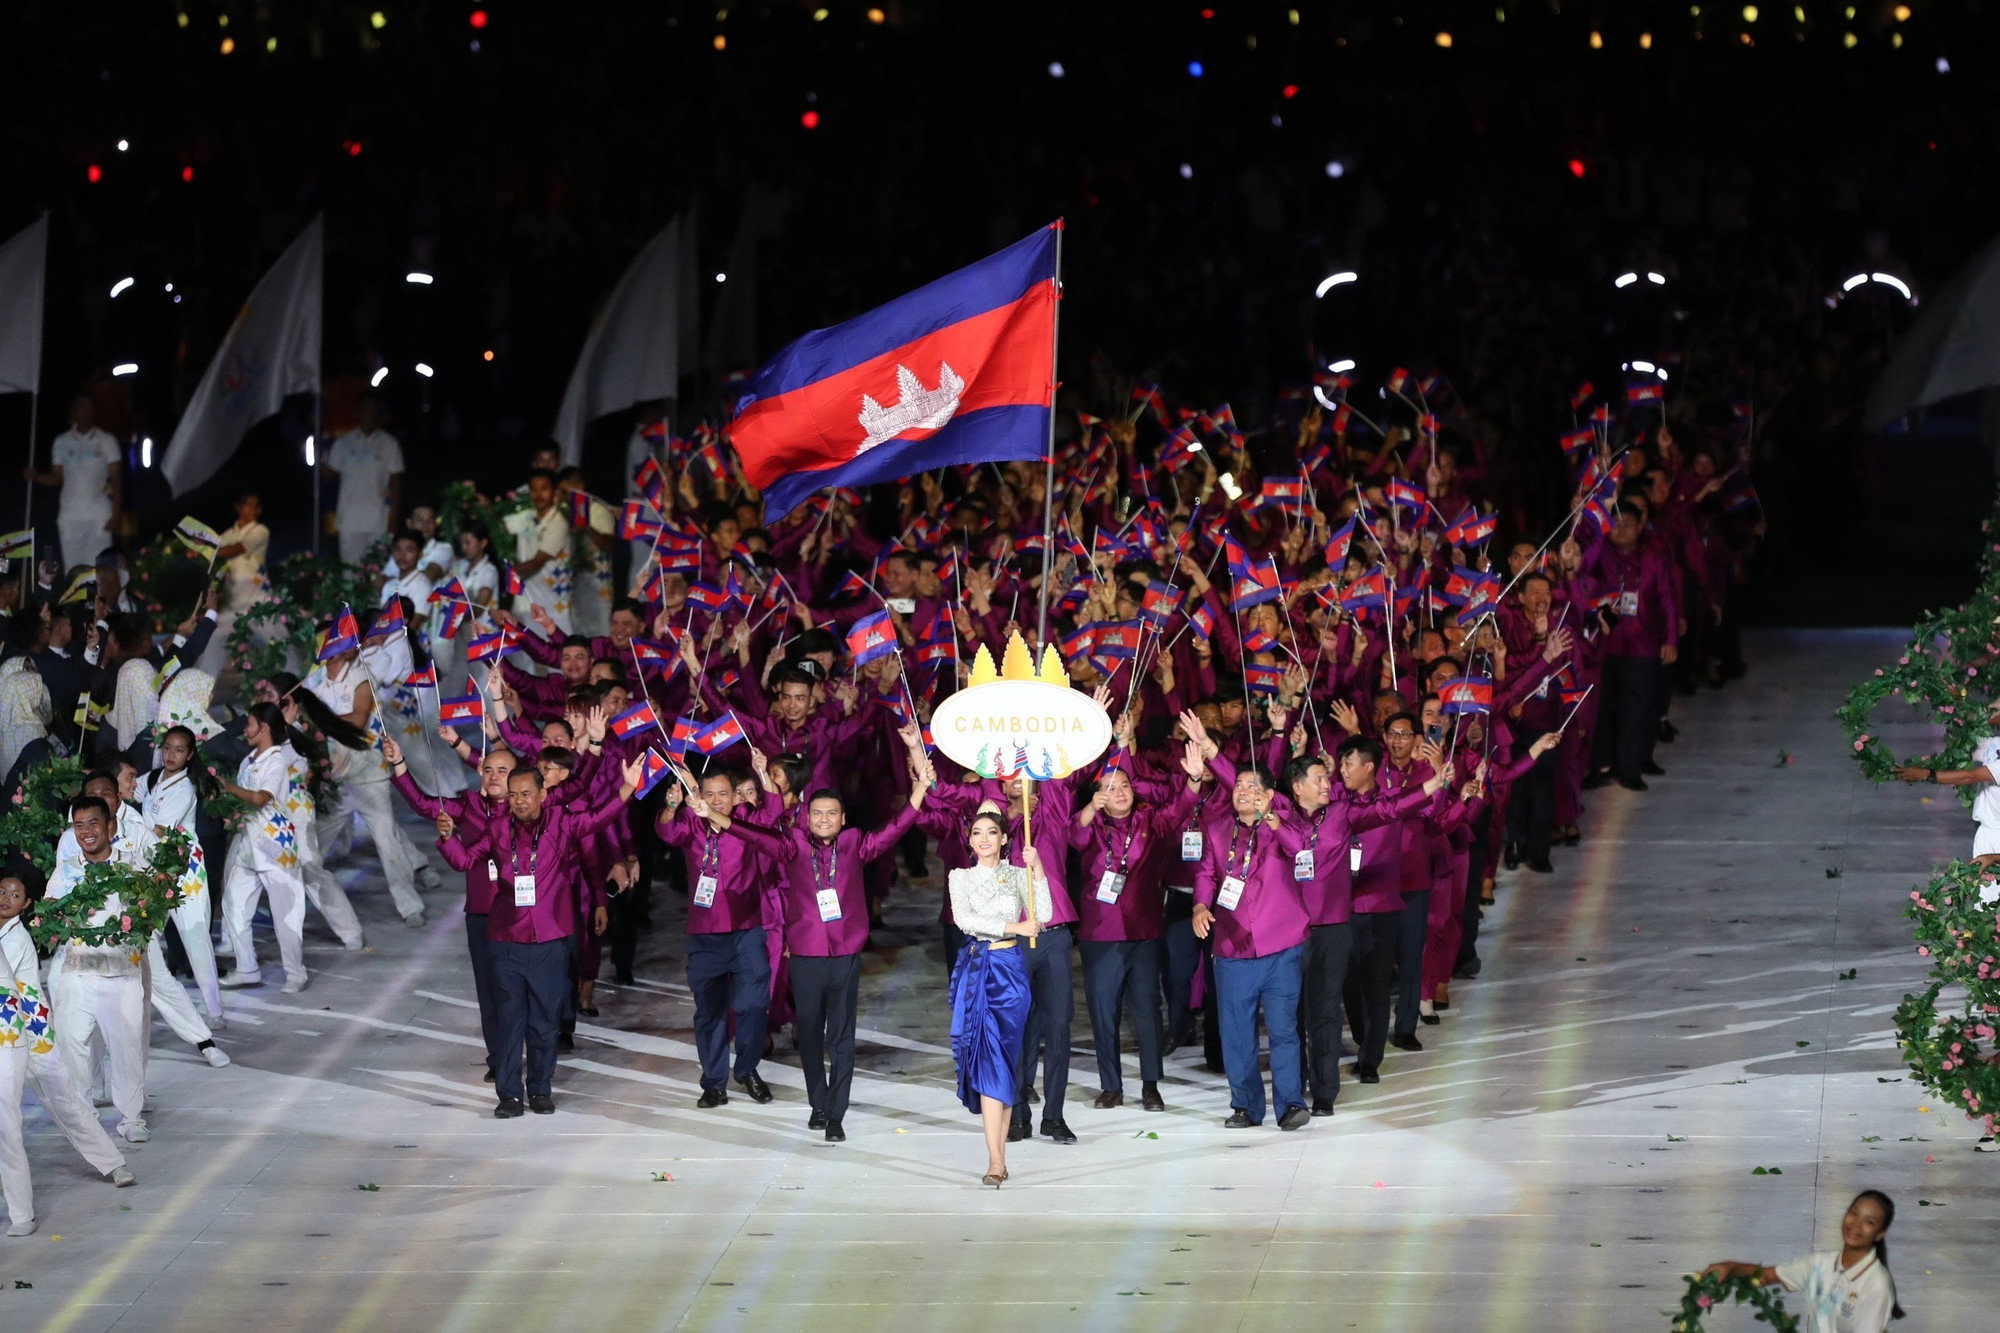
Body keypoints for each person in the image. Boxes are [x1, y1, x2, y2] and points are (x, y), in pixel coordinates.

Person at [725, 728, 933, 1142]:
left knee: (841, 1037)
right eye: (816, 813)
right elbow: (752, 834)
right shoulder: (794, 845)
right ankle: (818, 1103)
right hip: (804, 954)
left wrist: (920, 788)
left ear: (842, 819)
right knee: (808, 1032)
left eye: (831, 814)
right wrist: (715, 816)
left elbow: (894, 829)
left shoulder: (855, 844)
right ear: (807, 817)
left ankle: (835, 1113)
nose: (823, 819)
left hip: (845, 954)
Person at [439, 757, 640, 1117]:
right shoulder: (498, 829)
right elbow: (465, 861)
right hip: (505, 941)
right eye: (514, 795)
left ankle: (541, 1089)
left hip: (549, 941)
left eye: (526, 793)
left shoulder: (561, 823)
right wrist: (447, 837)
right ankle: (509, 1095)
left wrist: (626, 789)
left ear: (543, 794)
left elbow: (598, 819)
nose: (519, 801)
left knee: (545, 1021)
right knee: (510, 1020)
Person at [1068, 744, 1202, 1112]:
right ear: (1098, 797)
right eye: (1110, 787)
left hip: (1144, 933)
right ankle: (1110, 1085)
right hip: (1101, 935)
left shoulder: (1148, 822)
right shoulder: (1090, 825)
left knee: (1146, 1010)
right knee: (1103, 1010)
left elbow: (1178, 812)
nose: (1120, 791)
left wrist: (1192, 779)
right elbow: (1073, 837)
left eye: (1125, 784)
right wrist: (1087, 810)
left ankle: (1150, 1084)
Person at [0, 874, 134, 1238]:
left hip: (33, 1030)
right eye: (2, 891)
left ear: (26, 904)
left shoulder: (17, 938)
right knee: (6, 1120)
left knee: (66, 1102)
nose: (6, 898)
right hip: (8, 1031)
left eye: (15, 894)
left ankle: (113, 1163)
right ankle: (19, 1211)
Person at [1192, 760, 1312, 1131]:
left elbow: (1302, 851)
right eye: (1239, 786)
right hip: (1232, 948)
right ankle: (1244, 1105)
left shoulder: (1287, 824)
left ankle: (1291, 1104)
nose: (1243, 792)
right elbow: (1206, 874)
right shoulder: (1216, 829)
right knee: (1236, 1033)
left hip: (1281, 945)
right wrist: (1199, 904)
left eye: (1253, 787)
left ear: (1271, 795)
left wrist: (1272, 819)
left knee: (1282, 1030)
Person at [658, 763, 783, 1107]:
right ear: (698, 795)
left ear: (735, 796)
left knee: (754, 1004)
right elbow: (666, 834)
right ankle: (714, 1082)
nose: (716, 800)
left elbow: (774, 809)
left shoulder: (746, 818)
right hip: (705, 933)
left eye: (723, 794)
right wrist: (671, 806)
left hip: (746, 930)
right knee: (710, 1012)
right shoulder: (690, 821)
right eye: (708, 793)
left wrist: (762, 773)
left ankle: (746, 1069)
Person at [947, 808, 1052, 1188]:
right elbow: (965, 920)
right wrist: (1015, 925)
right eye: (977, 833)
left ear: (1005, 838)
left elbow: (1046, 913)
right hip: (978, 969)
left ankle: (1000, 1158)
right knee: (988, 1059)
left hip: (1010, 970)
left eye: (992, 832)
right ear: (971, 840)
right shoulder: (960, 877)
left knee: (1005, 1061)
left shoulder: (1016, 873)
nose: (985, 839)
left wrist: (1037, 869)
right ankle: (994, 1160)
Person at [44, 797, 150, 1143]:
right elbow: (49, 910)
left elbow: (149, 913)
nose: (86, 832)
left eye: (93, 823)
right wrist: (58, 914)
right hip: (77, 973)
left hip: (122, 973)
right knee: (72, 1048)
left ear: (109, 826)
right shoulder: (66, 870)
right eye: (78, 826)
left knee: (126, 1048)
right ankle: (84, 1120)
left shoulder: (132, 867)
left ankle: (131, 1118)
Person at [213, 702, 314, 993]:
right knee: (233, 904)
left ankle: (296, 974)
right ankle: (247, 968)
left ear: (264, 728)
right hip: (248, 844)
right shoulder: (249, 760)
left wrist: (230, 789)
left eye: (250, 724)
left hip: (275, 845)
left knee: (287, 915)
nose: (245, 730)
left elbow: (261, 799)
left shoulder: (276, 761)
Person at [1700, 1189, 1905, 1331]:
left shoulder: (1876, 1286)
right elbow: (1770, 1275)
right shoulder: (1820, 1265)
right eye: (1854, 1214)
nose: (1856, 1225)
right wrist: (1731, 1268)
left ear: (1880, 1234)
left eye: (1869, 1222)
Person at [140, 725, 226, 1026]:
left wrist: (125, 829)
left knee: (196, 940)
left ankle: (215, 1011)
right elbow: (126, 788)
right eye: (166, 748)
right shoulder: (153, 779)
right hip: (156, 869)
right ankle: (138, 1009)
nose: (171, 755)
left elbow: (159, 830)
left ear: (190, 755)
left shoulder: (185, 788)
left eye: (178, 750)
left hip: (184, 870)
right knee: (142, 937)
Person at [1891, 698, 2000, 864]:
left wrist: (1927, 774)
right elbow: (1967, 737)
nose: (1994, 710)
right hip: (1986, 834)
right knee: (1981, 889)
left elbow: (1969, 776)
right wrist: (1956, 700)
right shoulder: (1994, 745)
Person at [27, 394, 121, 572]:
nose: (85, 412)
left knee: (99, 572)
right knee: (75, 573)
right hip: (70, 517)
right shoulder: (61, 442)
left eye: (89, 407)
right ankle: (78, 601)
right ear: (73, 412)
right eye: (81, 407)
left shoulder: (107, 440)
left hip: (99, 517)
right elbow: (56, 477)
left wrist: (116, 514)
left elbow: (116, 480)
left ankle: (98, 600)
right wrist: (35, 476)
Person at [324, 393, 405, 563]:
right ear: (357, 413)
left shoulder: (389, 444)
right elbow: (329, 474)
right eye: (365, 409)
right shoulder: (343, 443)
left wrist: (394, 517)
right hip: (349, 519)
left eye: (373, 410)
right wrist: (316, 454)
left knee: (377, 571)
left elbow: (396, 482)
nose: (369, 413)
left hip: (378, 520)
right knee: (351, 571)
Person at [201, 491, 273, 679]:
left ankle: (294, 686)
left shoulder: (260, 530)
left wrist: (203, 545)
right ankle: (202, 689)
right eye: (247, 505)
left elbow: (232, 550)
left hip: (259, 599)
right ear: (238, 507)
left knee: (277, 638)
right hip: (234, 598)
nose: (252, 510)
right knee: (215, 637)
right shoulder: (227, 534)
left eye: (255, 506)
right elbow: (217, 558)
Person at [503, 468, 572, 633]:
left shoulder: (558, 523)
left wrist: (508, 573)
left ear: (554, 492)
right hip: (526, 603)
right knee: (525, 655)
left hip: (553, 604)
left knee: (556, 654)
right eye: (534, 489)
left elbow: (537, 562)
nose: (538, 494)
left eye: (544, 488)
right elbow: (499, 528)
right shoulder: (526, 517)